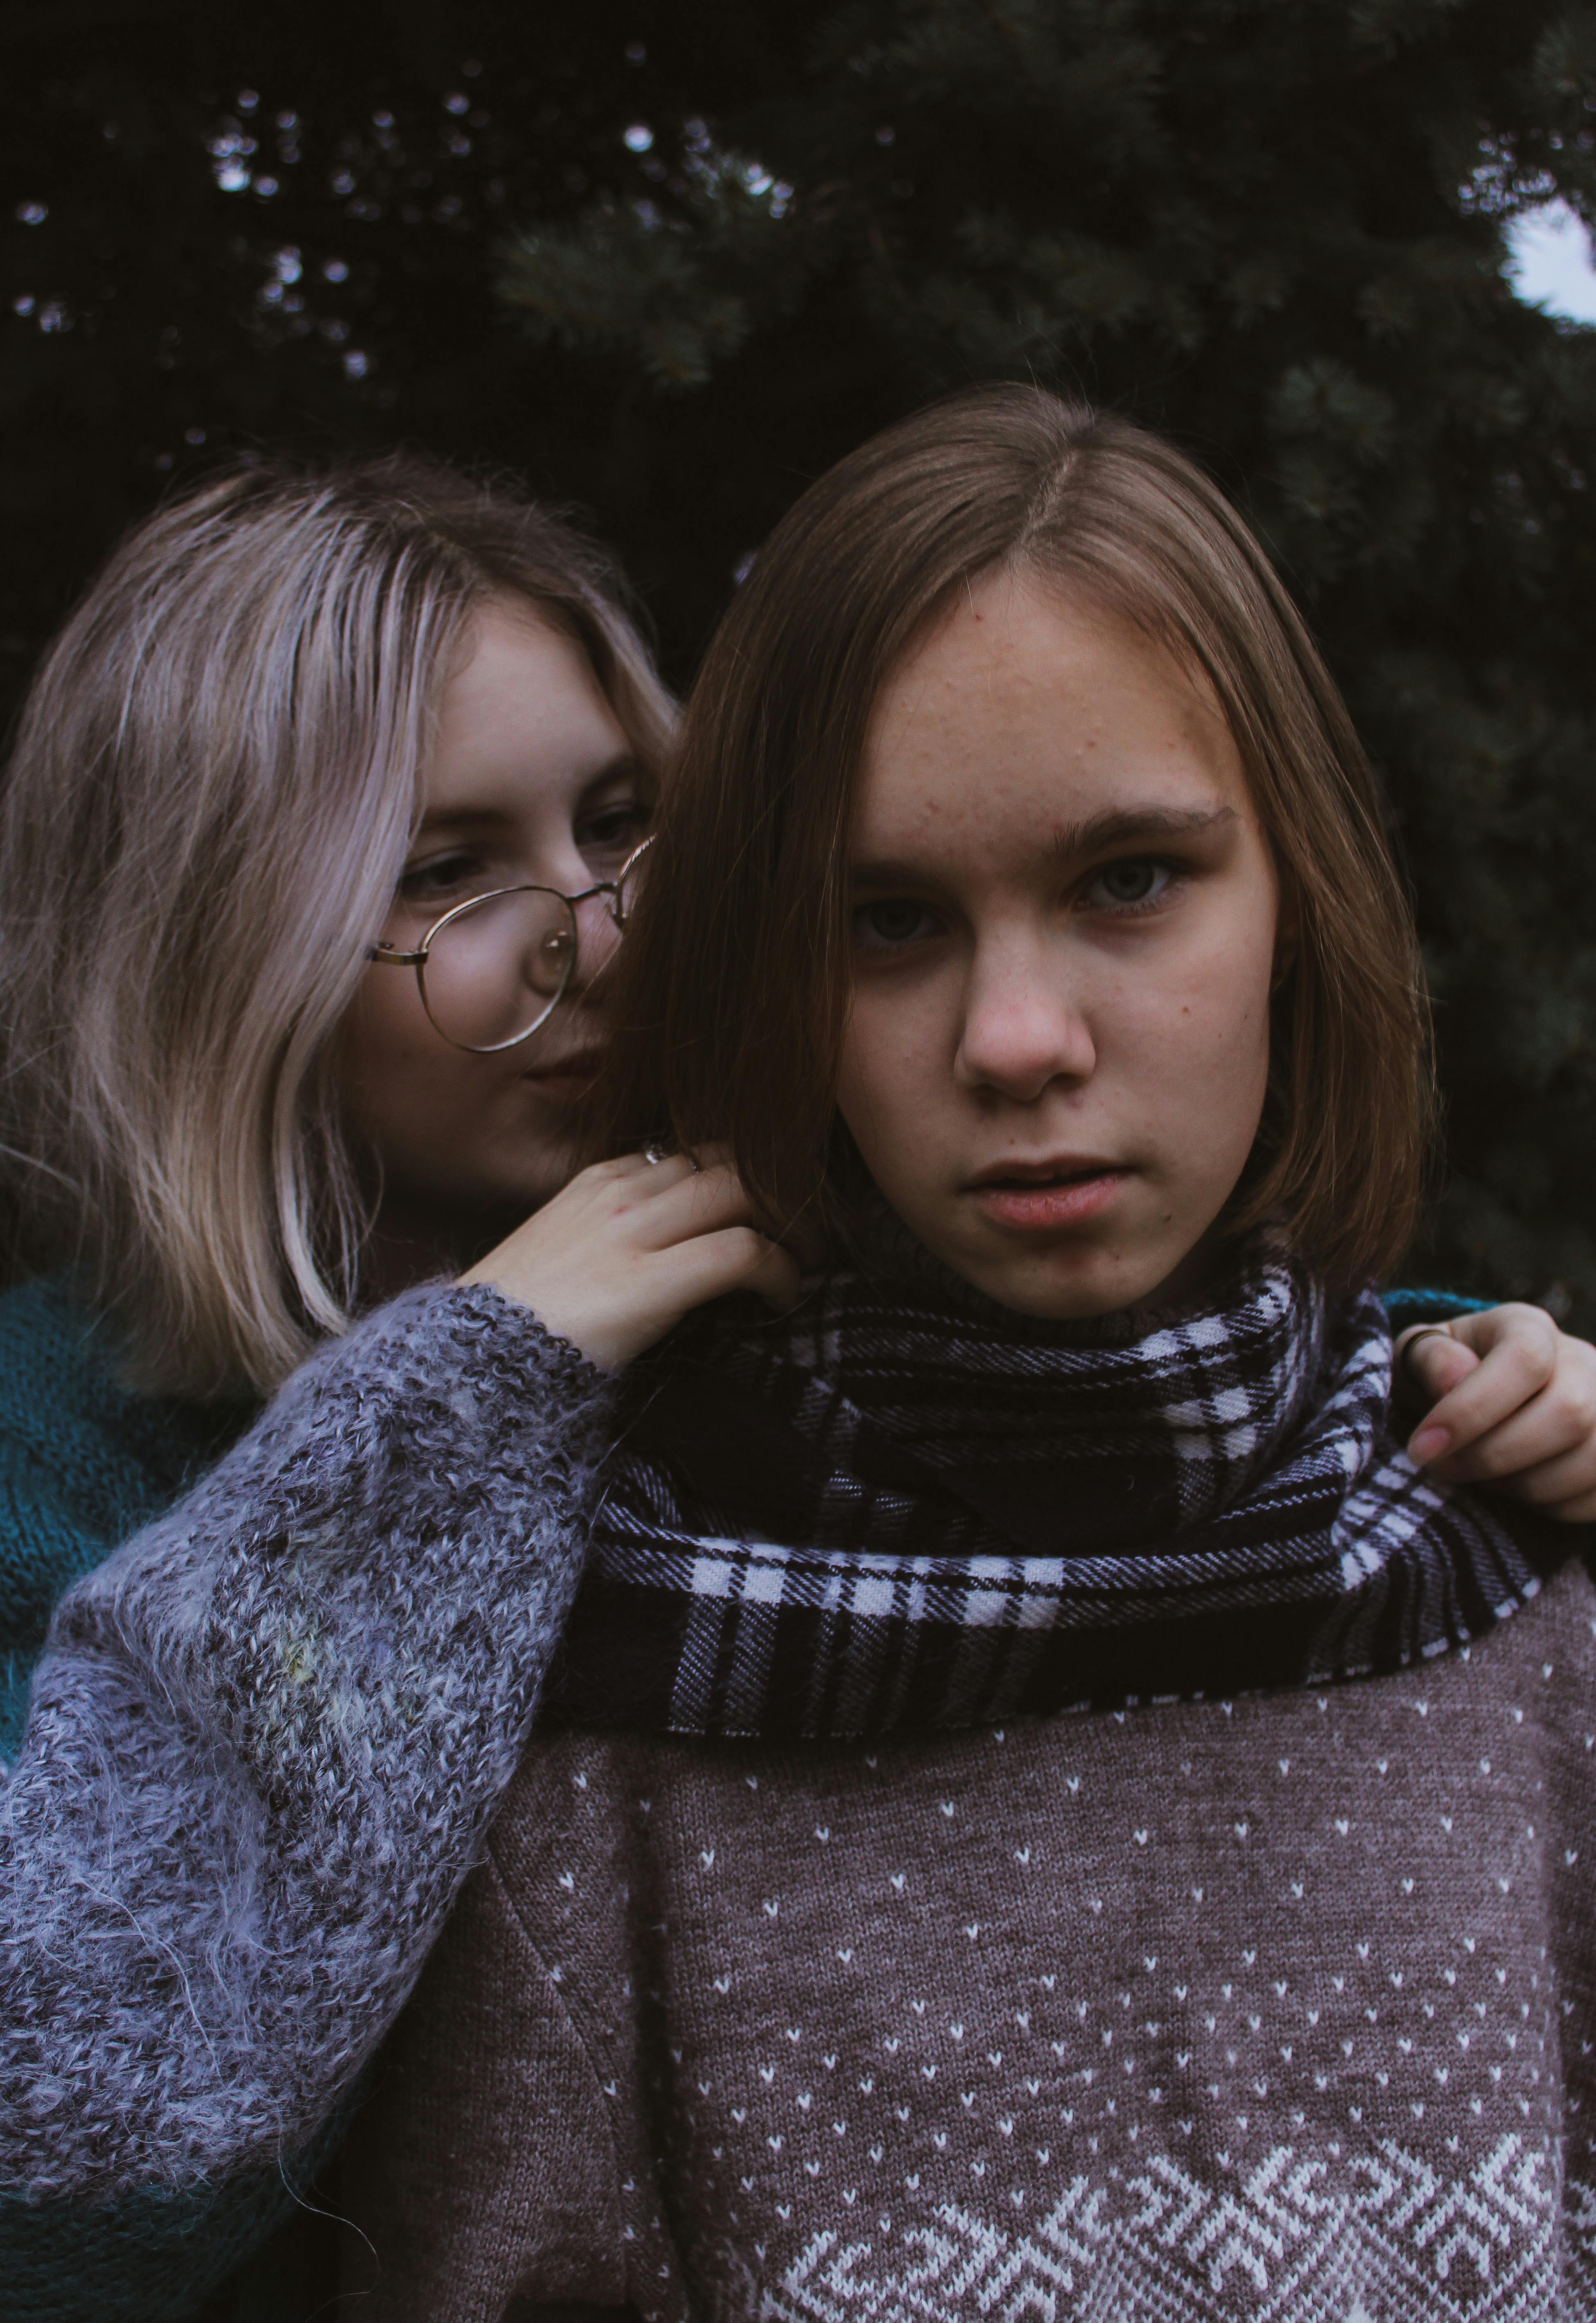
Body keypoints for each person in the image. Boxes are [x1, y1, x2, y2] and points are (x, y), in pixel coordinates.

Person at [331, 386, 1596, 2323]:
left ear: (1303, 897)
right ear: (771, 968)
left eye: (1128, 879)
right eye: (891, 918)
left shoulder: (1523, 1574)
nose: (1017, 1039)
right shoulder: (587, 1711)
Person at [0, 455, 784, 2321]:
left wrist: (1450, 1373)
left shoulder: (749, 1271)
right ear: (210, 946)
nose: (596, 933)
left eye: (622, 822)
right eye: (446, 871)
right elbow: (55, 2180)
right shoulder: (39, 1448)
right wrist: (466, 1395)